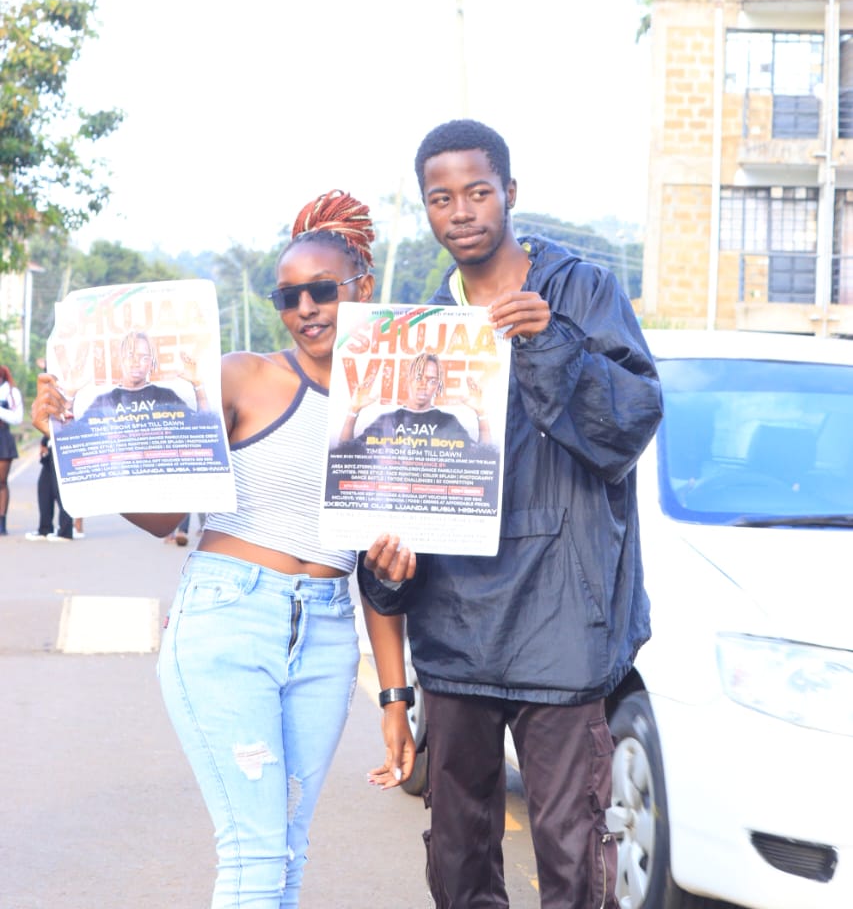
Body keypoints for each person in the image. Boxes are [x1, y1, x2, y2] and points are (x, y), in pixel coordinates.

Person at [32, 190, 416, 909]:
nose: (307, 308)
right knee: (255, 856)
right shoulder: (244, 377)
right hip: (230, 618)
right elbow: (163, 517)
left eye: (323, 290)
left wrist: (395, 698)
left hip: (328, 633)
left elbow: (379, 573)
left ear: (362, 287)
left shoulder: (387, 410)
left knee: (287, 852)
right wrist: (74, 434)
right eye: (289, 296)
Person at [359, 120, 664, 909]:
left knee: (573, 850)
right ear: (425, 209)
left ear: (509, 194)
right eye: (440, 199)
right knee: (457, 850)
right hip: (455, 629)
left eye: (477, 192)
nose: (460, 212)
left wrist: (550, 341)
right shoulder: (418, 332)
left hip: (560, 627)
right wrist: (387, 570)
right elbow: (392, 488)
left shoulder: (579, 292)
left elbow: (627, 428)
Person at [338, 351, 492, 448]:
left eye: (431, 380)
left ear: (437, 386)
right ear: (408, 380)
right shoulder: (387, 421)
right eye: (418, 377)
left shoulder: (448, 422)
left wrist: (481, 414)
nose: (423, 385)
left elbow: (484, 457)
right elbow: (345, 452)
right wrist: (353, 410)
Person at [73, 329, 209, 418]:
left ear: (151, 362)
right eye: (130, 355)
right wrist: (69, 395)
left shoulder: (166, 397)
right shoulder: (104, 401)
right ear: (121, 359)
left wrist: (198, 385)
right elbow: (74, 436)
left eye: (144, 357)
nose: (136, 363)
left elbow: (202, 427)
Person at [25, 435, 75, 541]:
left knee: (61, 490)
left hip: (63, 445)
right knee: (44, 487)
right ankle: (45, 529)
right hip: (51, 446)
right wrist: (44, 441)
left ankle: (66, 532)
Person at [0, 364, 23, 536]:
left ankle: (2, 522)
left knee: (1, 482)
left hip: (2, 438)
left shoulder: (11, 393)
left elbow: (17, 418)